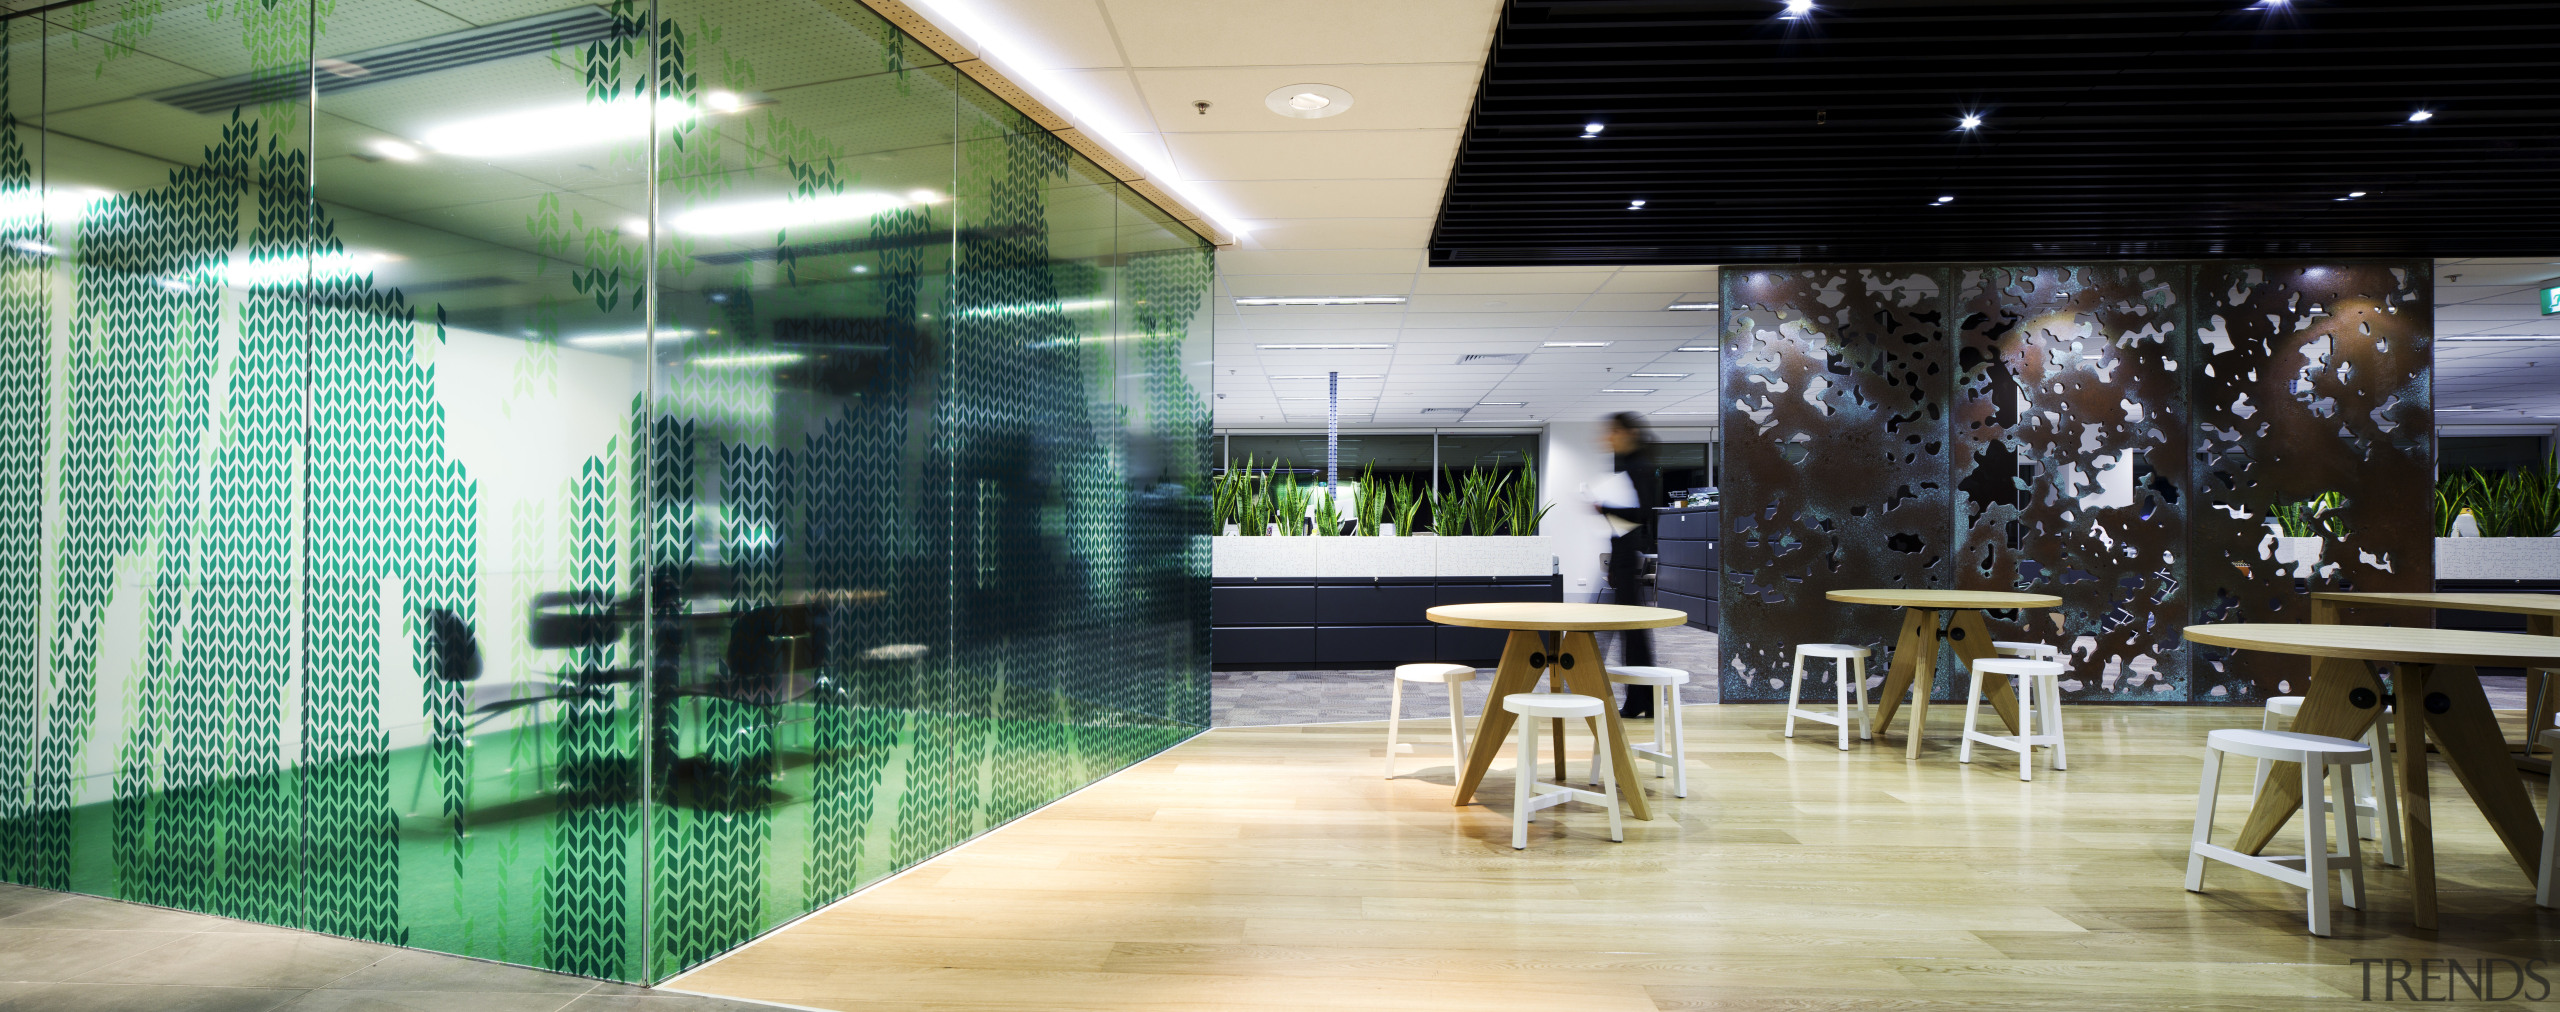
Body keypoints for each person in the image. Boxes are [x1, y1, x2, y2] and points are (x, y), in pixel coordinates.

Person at [1593, 412, 1663, 718]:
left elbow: (1641, 515)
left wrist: (1602, 507)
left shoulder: (1638, 468)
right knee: (1632, 633)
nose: (1608, 438)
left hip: (1630, 559)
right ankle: (1641, 699)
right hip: (1623, 557)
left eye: (1613, 433)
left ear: (1628, 432)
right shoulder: (1630, 466)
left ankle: (1641, 699)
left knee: (1633, 633)